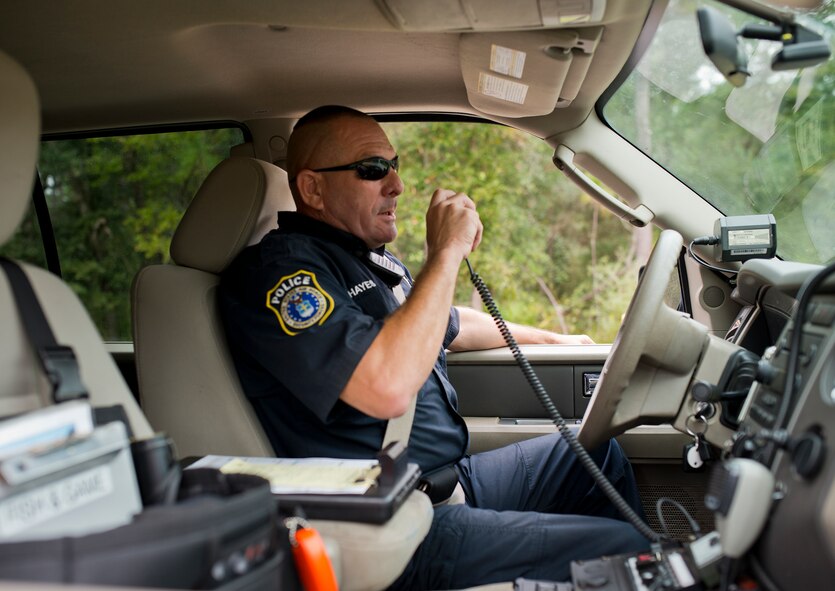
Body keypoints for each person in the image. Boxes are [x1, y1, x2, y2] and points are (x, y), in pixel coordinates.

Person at [219, 105, 650, 589]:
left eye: (394, 165)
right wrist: (445, 254)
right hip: (389, 524)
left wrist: (555, 339)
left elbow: (451, 323)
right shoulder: (282, 274)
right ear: (312, 189)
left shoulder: (365, 260)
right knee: (627, 554)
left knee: (597, 456)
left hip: (447, 482)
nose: (397, 184)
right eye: (373, 170)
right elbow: (384, 388)